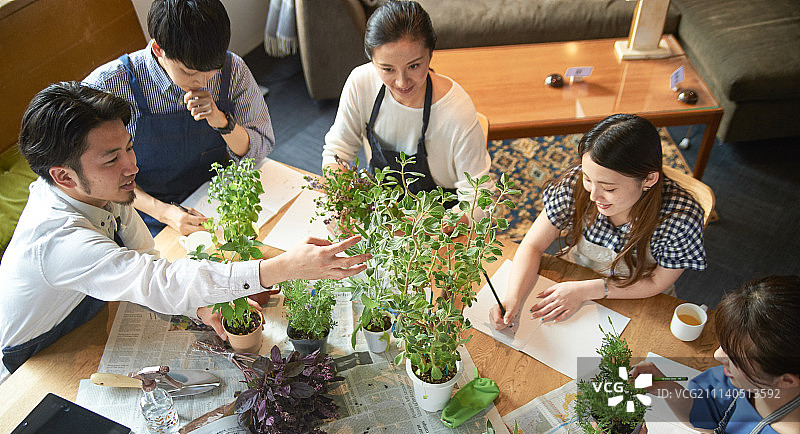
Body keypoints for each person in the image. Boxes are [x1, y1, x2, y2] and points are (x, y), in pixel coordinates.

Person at [0, 82, 367, 382]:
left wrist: (198, 307)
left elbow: (147, 261)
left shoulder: (104, 191)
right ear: (63, 176)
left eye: (129, 148)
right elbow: (157, 279)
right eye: (112, 159)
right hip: (36, 351)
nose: (132, 167)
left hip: (90, 310)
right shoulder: (58, 240)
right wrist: (285, 266)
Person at [597, 276, 800, 434]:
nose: (717, 355)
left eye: (735, 357)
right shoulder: (758, 383)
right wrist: (669, 388)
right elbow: (712, 412)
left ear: (787, 380)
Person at [490, 114, 706, 328]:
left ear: (649, 179)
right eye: (588, 178)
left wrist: (590, 289)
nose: (593, 196)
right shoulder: (574, 184)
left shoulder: (680, 219)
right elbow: (532, 245)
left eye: (609, 188)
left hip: (639, 295)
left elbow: (655, 282)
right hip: (578, 274)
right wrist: (513, 298)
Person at [84, 0, 274, 236]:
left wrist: (221, 121)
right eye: (189, 72)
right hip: (145, 211)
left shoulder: (232, 68)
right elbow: (100, 180)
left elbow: (260, 147)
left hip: (217, 196)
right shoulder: (109, 85)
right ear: (158, 50)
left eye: (212, 71)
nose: (202, 82)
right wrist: (166, 213)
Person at [321, 0, 491, 221]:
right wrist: (343, 201)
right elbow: (337, 152)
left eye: (414, 66)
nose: (402, 82)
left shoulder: (456, 111)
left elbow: (479, 200)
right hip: (381, 213)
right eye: (387, 69)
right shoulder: (361, 83)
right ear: (372, 60)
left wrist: (424, 229)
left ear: (430, 54)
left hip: (440, 225)